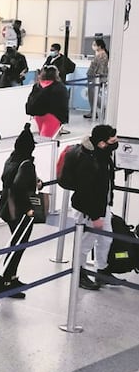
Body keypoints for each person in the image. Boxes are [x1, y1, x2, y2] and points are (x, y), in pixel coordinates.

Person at [71, 124, 120, 290]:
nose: (116, 141)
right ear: (101, 143)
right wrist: (95, 216)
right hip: (88, 210)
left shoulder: (104, 156)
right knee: (85, 243)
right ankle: (80, 274)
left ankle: (102, 270)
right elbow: (86, 192)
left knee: (106, 238)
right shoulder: (89, 160)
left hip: (102, 207)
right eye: (112, 140)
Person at [0, 125, 41, 298]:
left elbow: (11, 180)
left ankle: (11, 276)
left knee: (15, 242)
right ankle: (8, 280)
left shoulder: (11, 159)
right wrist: (29, 209)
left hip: (6, 206)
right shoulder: (27, 163)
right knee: (19, 245)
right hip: (19, 210)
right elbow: (20, 186)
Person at [26, 66, 70, 139]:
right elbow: (63, 104)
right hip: (53, 116)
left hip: (38, 115)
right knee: (46, 139)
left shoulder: (37, 85)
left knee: (41, 135)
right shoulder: (60, 87)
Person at [85, 37, 109, 119]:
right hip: (92, 77)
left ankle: (105, 108)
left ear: (99, 46)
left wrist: (98, 76)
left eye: (95, 45)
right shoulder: (98, 54)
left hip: (97, 78)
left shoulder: (103, 55)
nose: (93, 46)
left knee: (94, 96)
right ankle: (93, 111)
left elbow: (101, 68)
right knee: (91, 95)